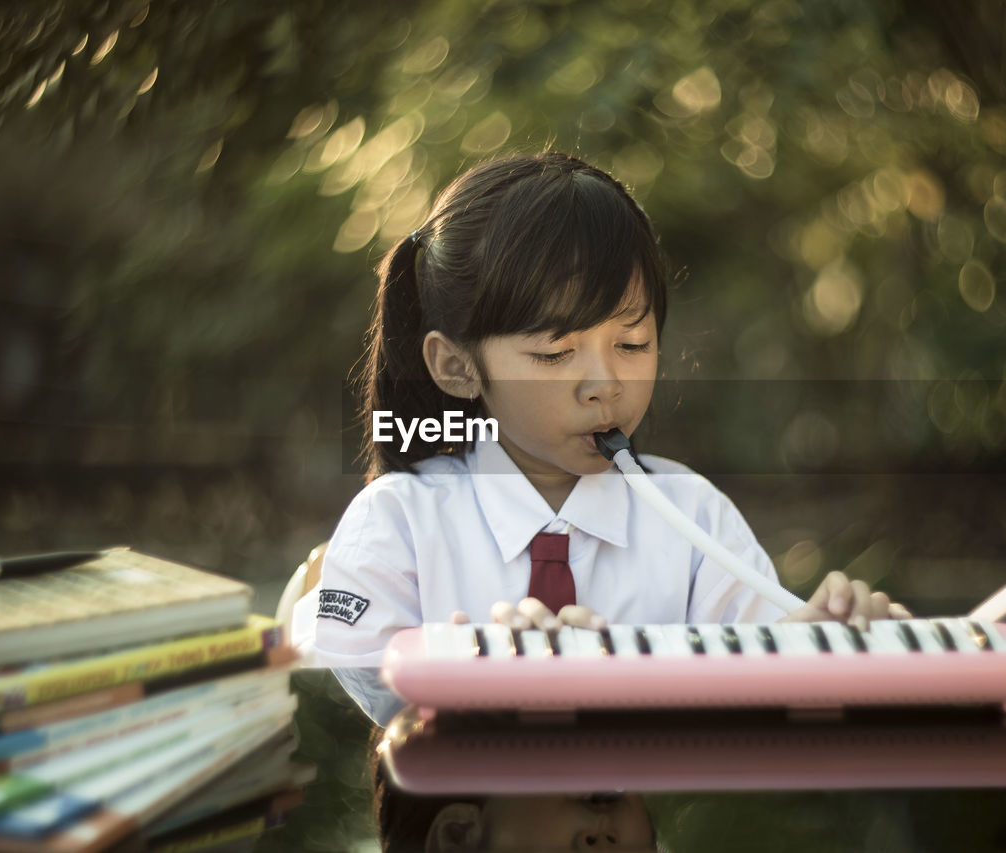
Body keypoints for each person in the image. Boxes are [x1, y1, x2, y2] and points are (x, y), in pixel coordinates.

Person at [292, 151, 909, 723]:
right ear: (457, 367)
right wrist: (478, 672)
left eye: (632, 344)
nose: (605, 384)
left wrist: (829, 639)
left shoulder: (692, 517)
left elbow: (763, 663)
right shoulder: (399, 520)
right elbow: (345, 679)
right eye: (556, 352)